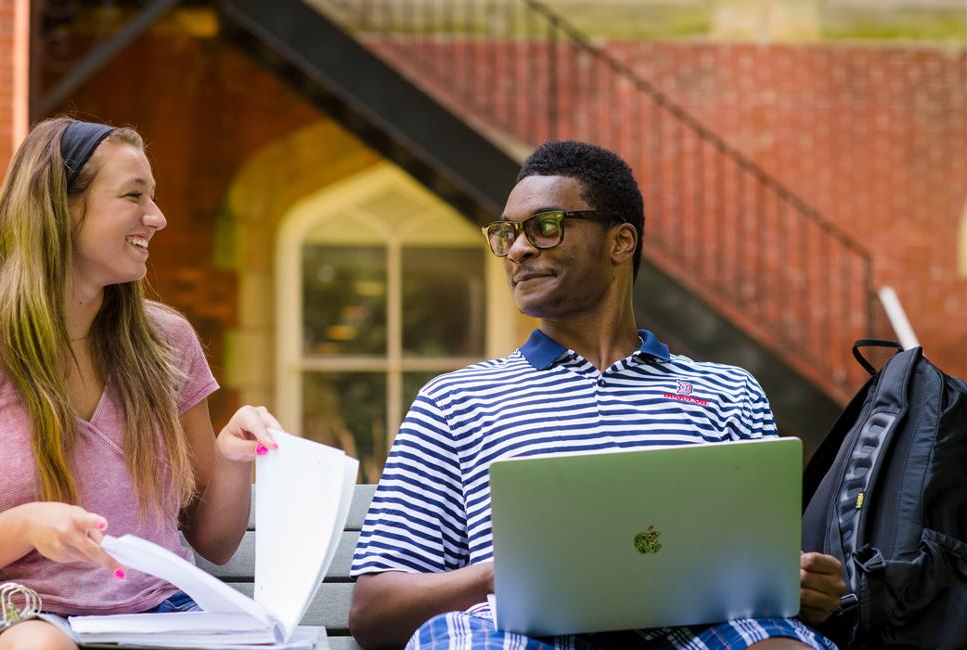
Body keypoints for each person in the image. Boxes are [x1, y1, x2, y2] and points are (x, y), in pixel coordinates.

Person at [348, 141, 848, 650]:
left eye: (545, 227)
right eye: (507, 234)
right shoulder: (455, 400)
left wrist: (809, 587)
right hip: (521, 636)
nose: (518, 249)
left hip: (697, 634)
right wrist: (499, 576)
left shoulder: (730, 392)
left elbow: (771, 575)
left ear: (621, 243)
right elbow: (373, 612)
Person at [0, 118, 284, 650]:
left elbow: (213, 544)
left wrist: (231, 458)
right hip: (39, 622)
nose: (157, 217)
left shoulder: (167, 342)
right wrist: (27, 525)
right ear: (60, 209)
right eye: (134, 196)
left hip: (172, 616)